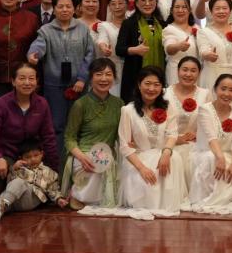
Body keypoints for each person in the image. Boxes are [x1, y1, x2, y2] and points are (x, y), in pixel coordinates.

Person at [28, 0, 94, 150]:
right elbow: (38, 45)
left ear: (74, 8)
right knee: (56, 125)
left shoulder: (83, 29)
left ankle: (77, 159)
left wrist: (82, 79)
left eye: (68, 6)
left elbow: (90, 55)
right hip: (54, 87)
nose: (64, 10)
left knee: (79, 123)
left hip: (79, 85)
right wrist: (33, 54)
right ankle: (57, 159)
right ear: (54, 8)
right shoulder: (46, 30)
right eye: (60, 6)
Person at [118, 66, 185, 214]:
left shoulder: (168, 107)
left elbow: (172, 134)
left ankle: (166, 202)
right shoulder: (127, 110)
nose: (151, 88)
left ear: (162, 87)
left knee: (174, 158)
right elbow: (124, 146)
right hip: (139, 159)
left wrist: (166, 153)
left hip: (163, 154)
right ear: (139, 84)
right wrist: (142, 168)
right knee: (146, 184)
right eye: (147, 83)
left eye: (156, 84)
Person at [59, 59, 123, 209]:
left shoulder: (119, 104)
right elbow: (69, 138)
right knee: (96, 164)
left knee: (105, 163)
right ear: (91, 77)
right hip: (82, 154)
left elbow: (122, 135)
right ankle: (77, 195)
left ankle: (85, 198)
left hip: (107, 154)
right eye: (98, 74)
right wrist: (82, 157)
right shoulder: (80, 104)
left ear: (114, 77)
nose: (103, 78)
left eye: (108, 74)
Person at [0, 140, 68, 226]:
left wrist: (59, 199)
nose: (32, 159)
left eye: (36, 155)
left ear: (42, 154)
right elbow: (10, 183)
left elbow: (53, 189)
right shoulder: (20, 169)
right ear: (21, 158)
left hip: (32, 198)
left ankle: (2, 203)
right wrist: (14, 169)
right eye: (28, 157)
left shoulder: (49, 172)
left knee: (19, 183)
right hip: (14, 199)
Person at [0, 62, 58, 177]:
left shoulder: (42, 104)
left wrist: (54, 168)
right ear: (13, 81)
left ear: (36, 81)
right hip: (7, 157)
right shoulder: (0, 104)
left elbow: (48, 137)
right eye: (22, 78)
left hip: (33, 157)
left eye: (31, 78)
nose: (27, 83)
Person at [187, 74, 232, 209]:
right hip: (205, 153)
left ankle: (223, 199)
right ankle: (206, 198)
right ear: (215, 89)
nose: (227, 94)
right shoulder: (205, 110)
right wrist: (220, 158)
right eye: (223, 89)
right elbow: (211, 137)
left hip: (228, 156)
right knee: (210, 158)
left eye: (231, 90)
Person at [165, 56, 211, 191]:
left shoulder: (205, 94)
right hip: (170, 143)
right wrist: (175, 139)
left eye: (193, 71)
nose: (188, 74)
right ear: (177, 71)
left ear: (199, 73)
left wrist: (198, 135)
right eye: (184, 70)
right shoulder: (164, 94)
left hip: (196, 143)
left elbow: (210, 121)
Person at [116, 0, 166, 102]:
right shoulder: (129, 23)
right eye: (143, 0)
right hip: (135, 75)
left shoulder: (162, 24)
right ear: (137, 3)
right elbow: (119, 49)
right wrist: (135, 50)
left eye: (151, 0)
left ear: (156, 2)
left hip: (159, 74)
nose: (147, 4)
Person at [197, 0, 232, 90]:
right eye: (217, 8)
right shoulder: (203, 32)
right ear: (211, 11)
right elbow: (203, 50)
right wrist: (207, 55)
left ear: (230, 11)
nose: (221, 11)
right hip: (212, 76)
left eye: (224, 8)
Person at [87, 0, 127, 85]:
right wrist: (104, 48)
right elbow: (102, 39)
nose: (117, 7)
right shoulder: (104, 26)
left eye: (120, 3)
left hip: (130, 68)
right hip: (111, 68)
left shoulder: (133, 24)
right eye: (113, 4)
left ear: (126, 5)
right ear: (109, 7)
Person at [163, 0, 201, 89]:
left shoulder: (197, 28)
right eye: (177, 7)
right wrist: (178, 46)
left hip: (194, 73)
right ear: (171, 10)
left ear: (190, 10)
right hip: (175, 72)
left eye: (184, 7)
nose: (180, 10)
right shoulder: (168, 29)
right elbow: (169, 48)